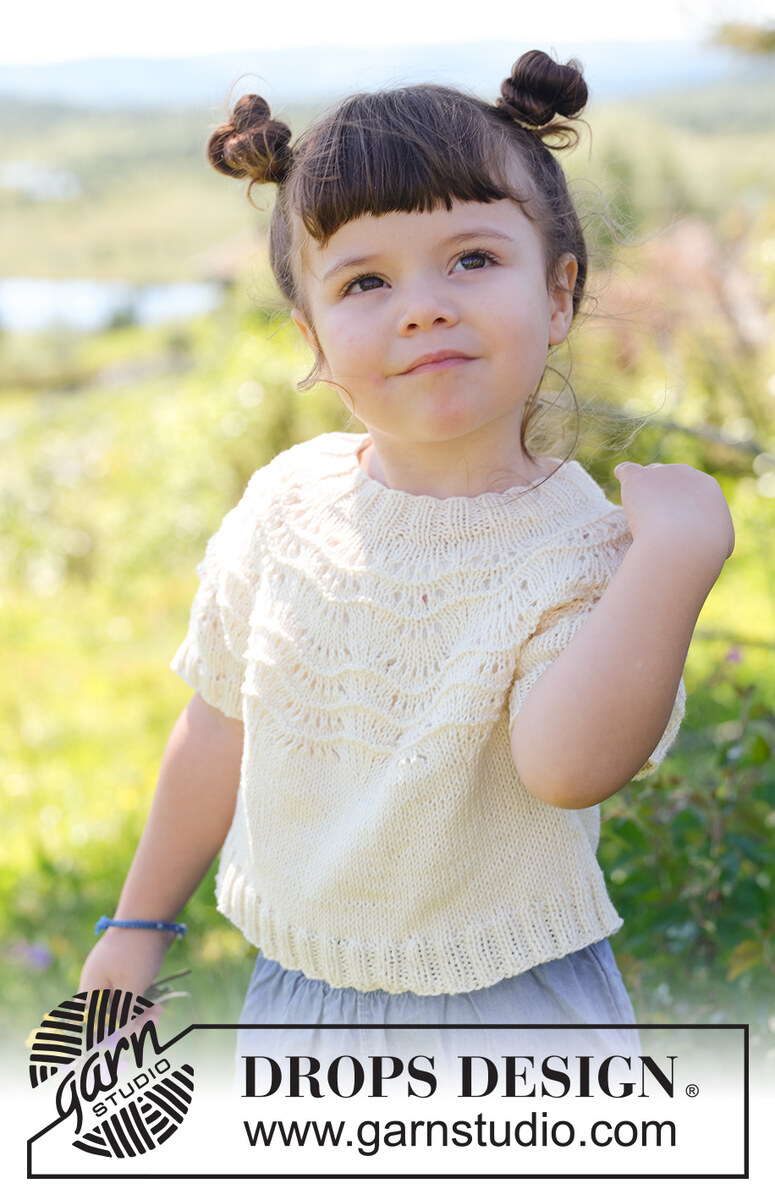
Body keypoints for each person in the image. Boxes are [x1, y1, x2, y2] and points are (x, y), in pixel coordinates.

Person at [79, 51, 734, 1067]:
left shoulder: (585, 549)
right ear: (314, 338)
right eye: (367, 281)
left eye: (471, 259)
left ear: (558, 293)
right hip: (296, 996)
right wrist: (136, 926)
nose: (422, 306)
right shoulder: (285, 504)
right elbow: (218, 724)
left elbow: (568, 768)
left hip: (514, 1015)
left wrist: (676, 561)